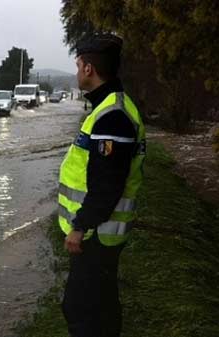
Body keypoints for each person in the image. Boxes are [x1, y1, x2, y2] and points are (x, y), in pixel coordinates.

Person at [57, 33, 146, 337]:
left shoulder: (112, 115)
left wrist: (80, 227)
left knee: (82, 311)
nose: (77, 70)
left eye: (78, 63)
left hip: (97, 235)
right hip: (100, 232)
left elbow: (107, 183)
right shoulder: (106, 108)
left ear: (88, 69)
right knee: (101, 306)